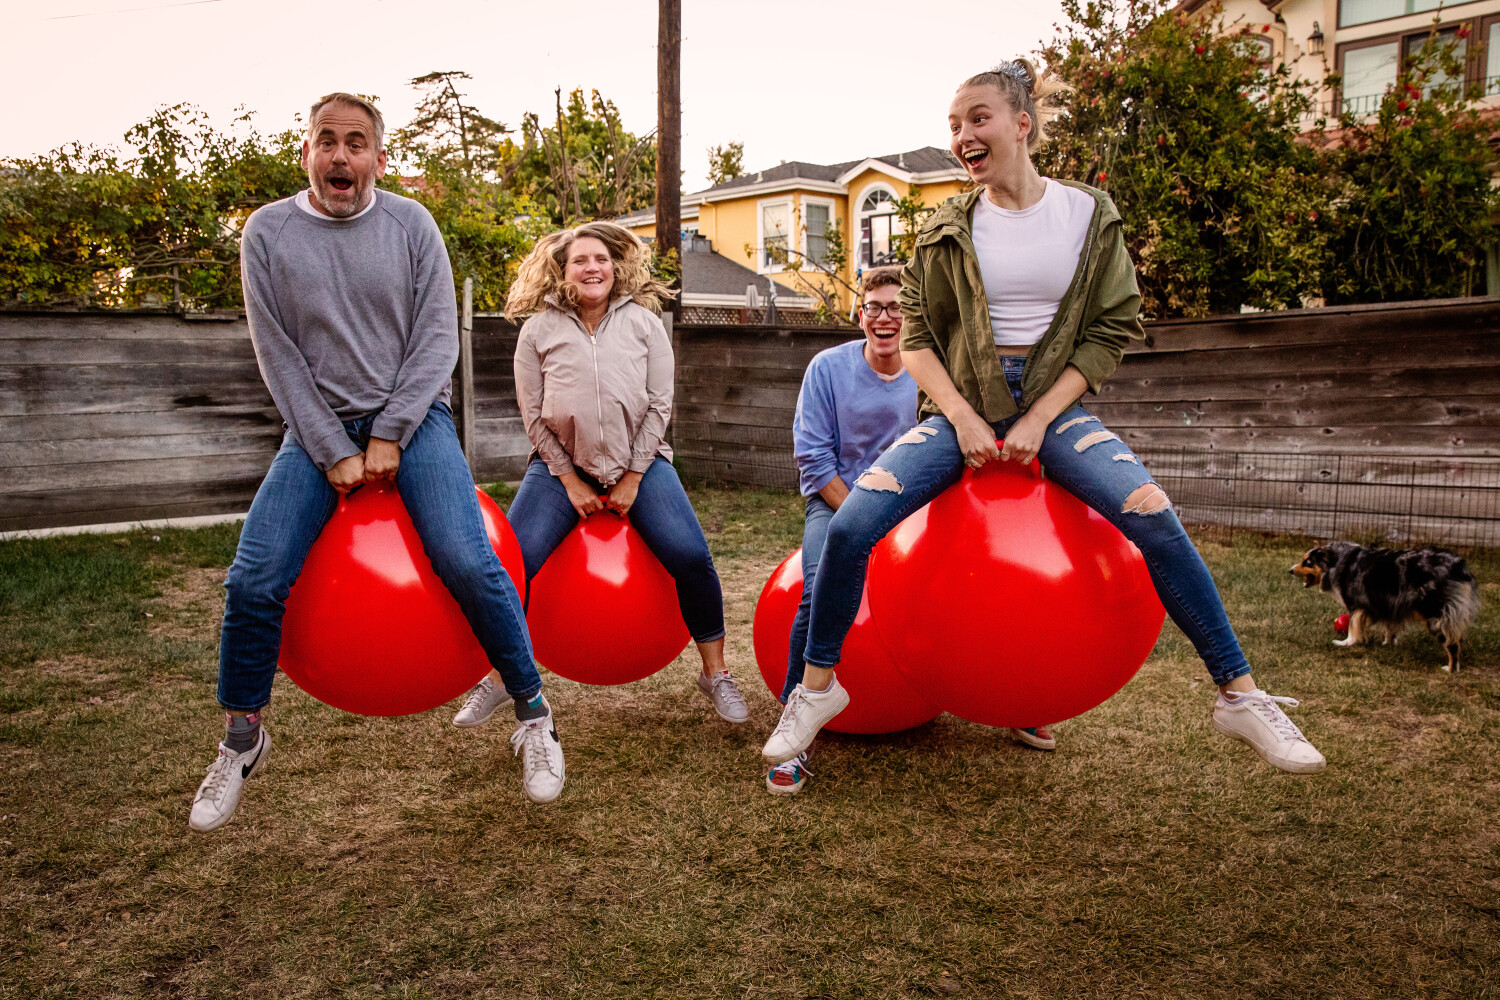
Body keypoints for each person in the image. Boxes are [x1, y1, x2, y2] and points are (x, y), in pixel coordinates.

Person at [761, 59, 1327, 777]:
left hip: (1053, 407)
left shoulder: (1089, 215)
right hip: (961, 406)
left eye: (977, 119)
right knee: (847, 529)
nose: (963, 135)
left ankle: (1239, 694)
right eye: (954, 125)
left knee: (1154, 516)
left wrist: (1039, 419)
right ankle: (816, 690)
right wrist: (965, 420)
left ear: (1021, 124)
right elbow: (919, 340)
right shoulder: (946, 226)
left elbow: (1113, 326)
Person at [189, 93, 564, 833]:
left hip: (416, 418)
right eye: (326, 141)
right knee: (255, 576)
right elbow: (278, 355)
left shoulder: (411, 224)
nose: (341, 156)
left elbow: (435, 341)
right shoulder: (266, 232)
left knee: (468, 557)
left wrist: (391, 432)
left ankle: (534, 715)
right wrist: (331, 447)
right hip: (315, 427)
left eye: (356, 143)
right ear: (307, 153)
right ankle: (241, 739)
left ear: (378, 158)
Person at [766, 267, 1055, 796]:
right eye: (874, 307)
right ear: (861, 317)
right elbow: (813, 460)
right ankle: (796, 732)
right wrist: (865, 524)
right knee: (817, 586)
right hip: (837, 507)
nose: (885, 317)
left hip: (919, 516)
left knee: (990, 587)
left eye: (897, 308)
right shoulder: (827, 369)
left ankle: (1019, 703)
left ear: (913, 318)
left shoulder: (937, 374)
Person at [450, 221, 750, 728]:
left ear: (616, 267)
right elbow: (533, 416)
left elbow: (660, 406)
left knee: (692, 556)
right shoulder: (538, 330)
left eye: (601, 259)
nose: (592, 268)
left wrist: (634, 476)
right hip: (559, 469)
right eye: (580, 261)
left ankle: (715, 672)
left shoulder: (644, 324)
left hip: (643, 463)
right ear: (563, 272)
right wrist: (568, 480)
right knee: (512, 566)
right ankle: (503, 679)